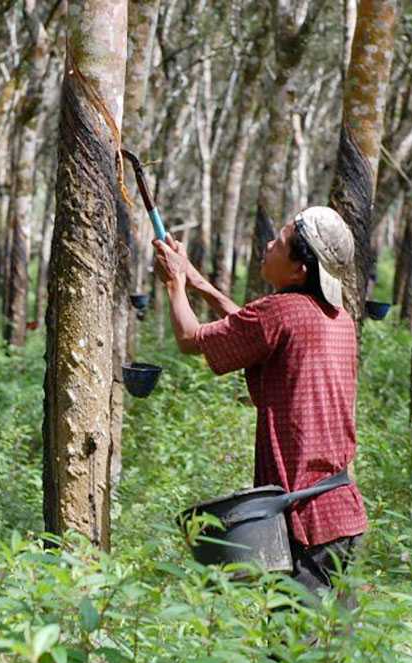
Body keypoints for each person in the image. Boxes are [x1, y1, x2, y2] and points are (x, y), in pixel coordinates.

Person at [153, 206, 367, 595]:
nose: (269, 244)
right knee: (336, 648)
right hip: (342, 513)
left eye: (280, 242)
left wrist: (173, 284)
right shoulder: (337, 319)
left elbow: (190, 339)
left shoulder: (279, 312)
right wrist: (197, 281)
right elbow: (252, 329)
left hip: (306, 523)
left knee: (294, 651)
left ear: (300, 269)